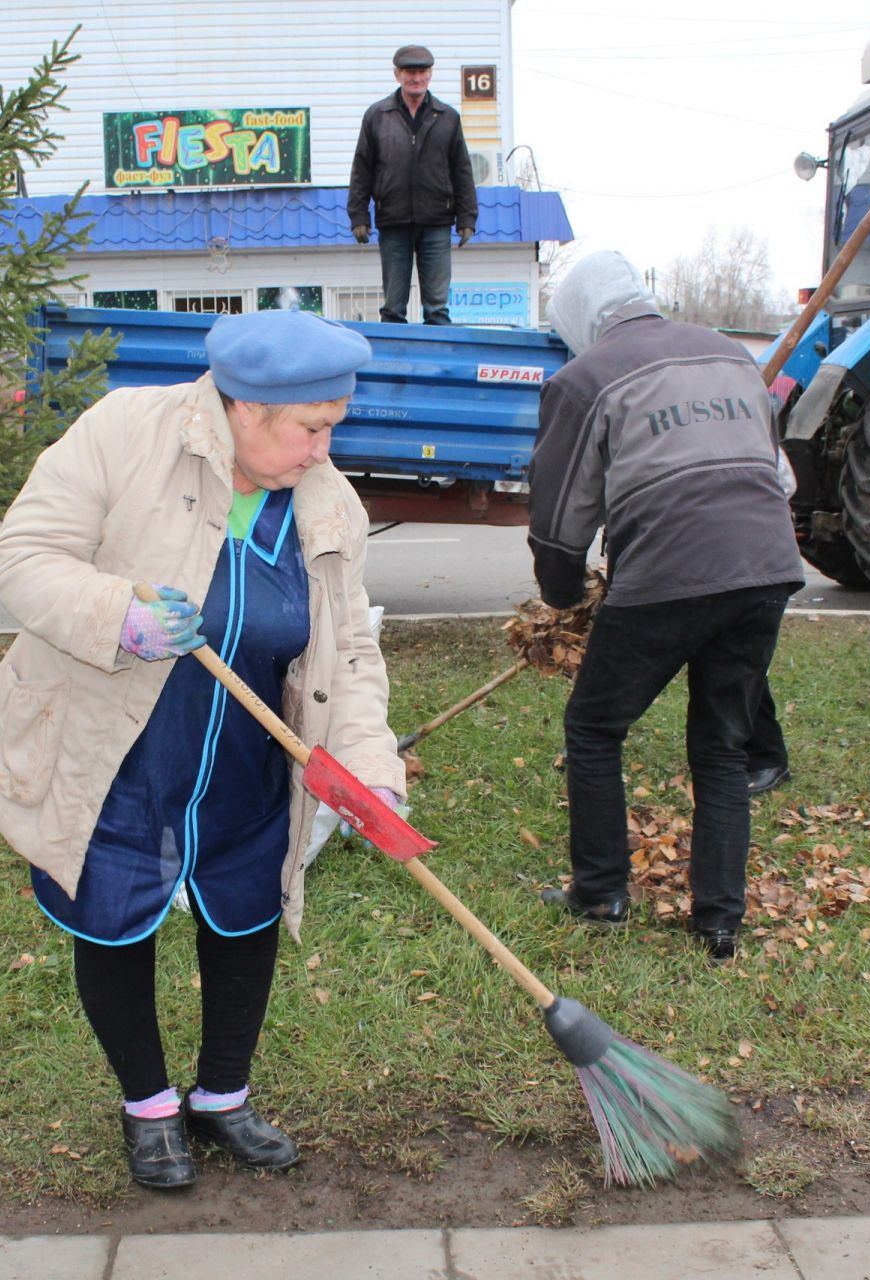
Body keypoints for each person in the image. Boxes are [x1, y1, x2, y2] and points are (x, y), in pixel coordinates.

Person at [0, 308, 405, 1190]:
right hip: (116, 749)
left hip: (244, 759)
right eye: (311, 429)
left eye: (330, 430)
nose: (323, 450)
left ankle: (222, 1097)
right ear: (244, 409)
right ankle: (149, 1107)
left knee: (246, 914)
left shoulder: (326, 500)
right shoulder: (126, 433)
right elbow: (24, 555)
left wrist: (368, 771)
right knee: (112, 916)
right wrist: (115, 613)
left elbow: (348, 652)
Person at [528, 251, 803, 961]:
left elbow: (560, 518)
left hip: (669, 574)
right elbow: (772, 469)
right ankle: (719, 924)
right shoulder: (732, 355)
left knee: (594, 727)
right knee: (721, 746)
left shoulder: (583, 378)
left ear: (579, 320)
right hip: (766, 568)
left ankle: (601, 893)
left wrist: (564, 599)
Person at [347, 43, 477, 325]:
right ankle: (393, 366)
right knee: (393, 309)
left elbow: (462, 171)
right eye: (409, 72)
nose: (415, 78)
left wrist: (467, 217)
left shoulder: (448, 118)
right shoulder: (377, 116)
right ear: (397, 75)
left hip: (437, 221)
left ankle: (442, 365)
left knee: (437, 311)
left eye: (421, 72)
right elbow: (362, 169)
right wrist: (358, 215)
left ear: (430, 75)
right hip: (393, 221)